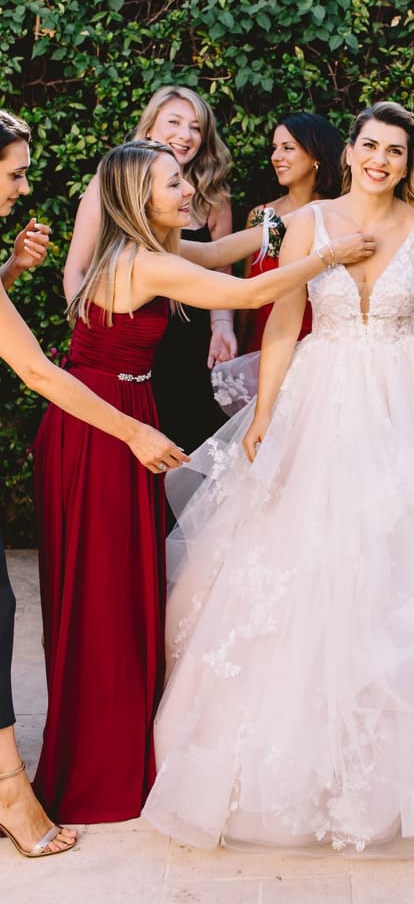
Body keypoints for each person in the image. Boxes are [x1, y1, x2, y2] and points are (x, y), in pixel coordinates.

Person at [142, 101, 414, 855]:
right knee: (304, 558)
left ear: (409, 162)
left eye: (395, 151)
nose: (379, 160)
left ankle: (412, 760)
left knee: (410, 563)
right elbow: (281, 321)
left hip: (405, 397)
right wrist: (266, 412)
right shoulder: (308, 223)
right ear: (351, 152)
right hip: (322, 395)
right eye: (369, 145)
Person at [34, 139, 373, 825]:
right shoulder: (142, 262)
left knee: (118, 589)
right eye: (173, 183)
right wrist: (326, 253)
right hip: (102, 427)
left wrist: (296, 222)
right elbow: (246, 291)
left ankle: (112, 747)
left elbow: (220, 253)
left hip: (119, 412)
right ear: (139, 197)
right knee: (103, 592)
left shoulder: (152, 250)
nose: (188, 190)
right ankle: (98, 767)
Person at [0, 113, 185, 858]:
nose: (23, 186)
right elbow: (37, 370)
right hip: (99, 422)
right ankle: (12, 793)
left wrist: (11, 272)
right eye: (15, 172)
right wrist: (133, 432)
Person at [63, 86, 236, 452]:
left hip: (189, 336)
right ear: (150, 127)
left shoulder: (212, 195)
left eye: (196, 127)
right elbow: (78, 267)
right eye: (174, 122)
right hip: (131, 336)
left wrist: (221, 325)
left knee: (189, 439)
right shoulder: (111, 181)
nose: (185, 135)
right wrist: (94, 336)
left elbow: (220, 259)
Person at [237, 112, 344, 353]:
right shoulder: (261, 215)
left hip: (321, 352)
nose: (276, 157)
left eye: (288, 148)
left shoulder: (339, 216)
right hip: (263, 347)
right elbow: (246, 296)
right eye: (275, 148)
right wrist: (239, 349)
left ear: (315, 154)